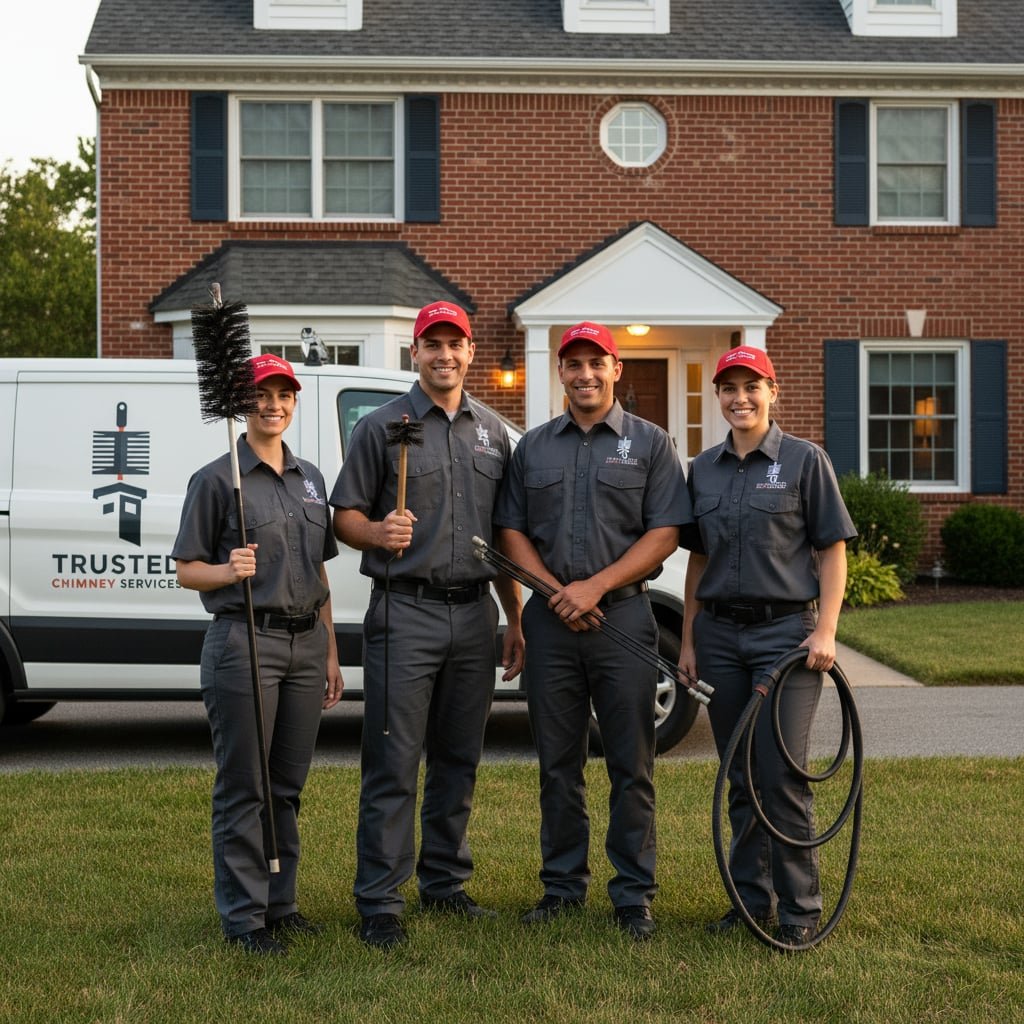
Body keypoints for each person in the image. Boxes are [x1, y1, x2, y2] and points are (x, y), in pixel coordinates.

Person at [330, 300, 524, 950]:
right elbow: (343, 516)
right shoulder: (382, 427)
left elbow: (502, 536)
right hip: (404, 612)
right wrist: (376, 532)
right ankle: (380, 901)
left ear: (470, 353)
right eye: (432, 345)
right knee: (393, 760)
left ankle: (444, 883)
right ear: (415, 352)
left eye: (454, 344)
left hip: (474, 614)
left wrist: (514, 616)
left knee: (458, 758)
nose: (445, 355)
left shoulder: (492, 432)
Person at [494, 321, 691, 941]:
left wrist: (595, 587)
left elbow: (665, 532)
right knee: (559, 763)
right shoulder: (533, 447)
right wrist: (558, 593)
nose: (585, 374)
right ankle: (562, 887)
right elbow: (510, 530)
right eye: (573, 364)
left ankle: (633, 894)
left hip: (623, 618)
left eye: (596, 362)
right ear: (561, 371)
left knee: (632, 762)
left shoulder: (651, 444)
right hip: (550, 624)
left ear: (615, 369)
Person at [678, 344, 855, 948]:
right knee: (740, 772)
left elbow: (832, 550)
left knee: (780, 772)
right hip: (719, 637)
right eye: (729, 388)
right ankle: (750, 903)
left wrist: (825, 630)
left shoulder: (806, 461)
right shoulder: (703, 469)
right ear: (718, 396)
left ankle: (799, 909)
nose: (740, 398)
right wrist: (689, 640)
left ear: (772, 391)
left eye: (752, 386)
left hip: (787, 637)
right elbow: (698, 560)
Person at [173, 353, 343, 956]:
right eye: (261, 395)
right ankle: (245, 918)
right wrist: (227, 570)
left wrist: (330, 651)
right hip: (245, 641)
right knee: (246, 785)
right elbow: (186, 570)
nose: (273, 405)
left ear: (294, 402)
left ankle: (281, 904)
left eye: (283, 395)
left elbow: (319, 568)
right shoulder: (217, 479)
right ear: (241, 404)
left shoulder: (310, 478)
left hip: (306, 644)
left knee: (286, 785)